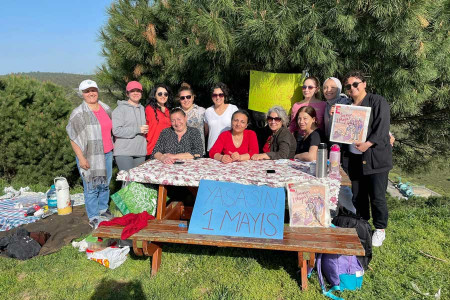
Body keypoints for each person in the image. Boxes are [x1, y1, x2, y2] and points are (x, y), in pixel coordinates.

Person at [342, 70, 392, 247]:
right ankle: (363, 224)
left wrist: (368, 143)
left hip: (375, 159)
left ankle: (380, 229)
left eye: (355, 84)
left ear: (364, 84)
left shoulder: (378, 102)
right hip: (354, 159)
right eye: (348, 86)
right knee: (358, 195)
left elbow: (382, 127)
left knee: (377, 196)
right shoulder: (347, 106)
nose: (352, 88)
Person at [66, 80, 113, 229]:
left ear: (98, 91)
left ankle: (103, 209)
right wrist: (80, 157)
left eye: (93, 90)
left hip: (107, 152)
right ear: (82, 94)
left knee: (105, 183)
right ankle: (93, 216)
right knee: (91, 186)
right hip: (89, 156)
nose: (91, 93)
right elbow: (73, 137)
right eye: (87, 91)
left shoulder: (106, 108)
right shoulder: (78, 113)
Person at [112, 81, 147, 171]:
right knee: (127, 182)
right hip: (124, 152)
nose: (136, 93)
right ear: (127, 94)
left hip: (140, 151)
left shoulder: (142, 109)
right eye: (132, 91)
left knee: (138, 183)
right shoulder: (120, 109)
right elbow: (116, 131)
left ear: (141, 93)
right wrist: (137, 129)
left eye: (138, 91)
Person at [204, 82, 239, 153]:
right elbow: (205, 132)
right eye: (214, 95)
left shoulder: (233, 109)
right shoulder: (208, 111)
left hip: (229, 150)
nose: (218, 97)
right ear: (211, 97)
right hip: (212, 150)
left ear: (225, 96)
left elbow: (239, 129)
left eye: (221, 95)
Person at [177, 85, 206, 154]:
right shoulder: (175, 112)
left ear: (193, 97)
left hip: (198, 152)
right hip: (179, 152)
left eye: (188, 97)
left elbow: (206, 130)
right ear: (179, 100)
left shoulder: (202, 111)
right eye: (182, 98)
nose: (186, 100)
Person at [145, 84, 172, 156]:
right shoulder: (149, 109)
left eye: (165, 94)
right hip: (153, 149)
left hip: (167, 150)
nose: (163, 96)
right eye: (160, 94)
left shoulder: (168, 111)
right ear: (154, 95)